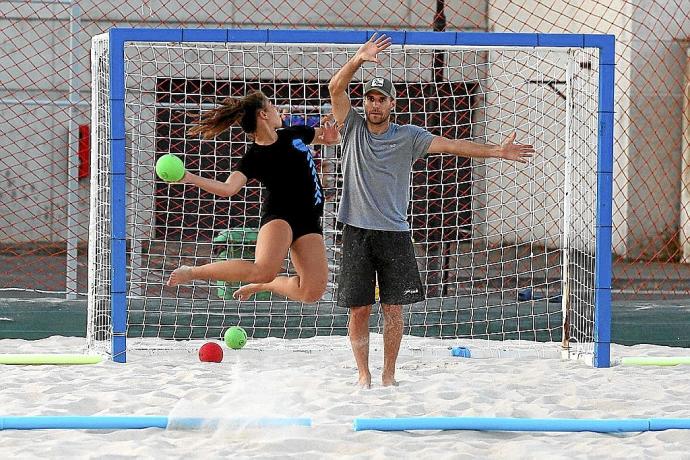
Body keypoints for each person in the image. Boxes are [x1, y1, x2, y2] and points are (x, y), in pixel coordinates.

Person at [328, 34, 535, 388]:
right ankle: (363, 375)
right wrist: (359, 59)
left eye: (381, 99)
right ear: (363, 103)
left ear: (392, 104)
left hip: (394, 232)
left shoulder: (409, 136)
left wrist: (497, 152)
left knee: (393, 309)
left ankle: (388, 375)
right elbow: (335, 87)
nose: (374, 105)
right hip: (356, 230)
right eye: (370, 99)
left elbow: (453, 145)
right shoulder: (352, 128)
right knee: (359, 309)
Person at [167, 90, 340, 304]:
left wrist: (332, 138)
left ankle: (264, 285)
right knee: (263, 270)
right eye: (272, 106)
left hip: (310, 219)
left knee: (311, 293)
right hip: (281, 216)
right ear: (263, 114)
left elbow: (327, 137)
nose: (277, 110)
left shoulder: (294, 133)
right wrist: (188, 177)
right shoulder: (254, 157)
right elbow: (228, 188)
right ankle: (192, 272)